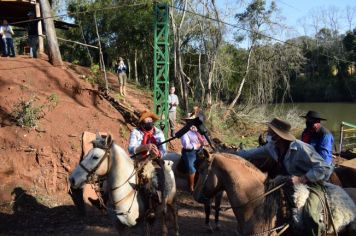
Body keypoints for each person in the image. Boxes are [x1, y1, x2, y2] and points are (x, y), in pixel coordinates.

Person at [237, 118, 332, 236]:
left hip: (310, 184)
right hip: (288, 184)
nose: (268, 133)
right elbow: (249, 153)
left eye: (271, 131)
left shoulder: (301, 148)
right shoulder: (271, 147)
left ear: (278, 135)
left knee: (310, 214)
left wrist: (302, 178)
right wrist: (227, 154)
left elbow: (324, 167)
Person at [181, 113, 208, 193]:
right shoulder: (184, 131)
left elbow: (205, 139)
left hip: (200, 150)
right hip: (190, 152)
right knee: (191, 167)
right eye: (189, 121)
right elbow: (186, 145)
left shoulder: (199, 130)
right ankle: (191, 187)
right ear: (187, 121)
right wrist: (198, 145)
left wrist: (204, 143)